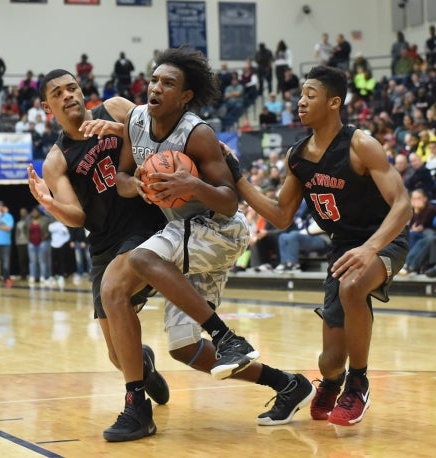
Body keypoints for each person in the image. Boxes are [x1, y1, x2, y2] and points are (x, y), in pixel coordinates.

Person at [80, 47, 315, 442]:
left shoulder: (198, 133)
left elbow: (228, 200)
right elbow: (120, 175)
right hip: (187, 235)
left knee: (138, 260)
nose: (156, 87)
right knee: (185, 348)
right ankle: (288, 384)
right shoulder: (136, 122)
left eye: (167, 83)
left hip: (218, 229)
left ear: (186, 95)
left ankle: (224, 340)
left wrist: (193, 186)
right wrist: (133, 184)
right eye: (154, 80)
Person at [225, 65, 411, 426]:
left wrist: (371, 248)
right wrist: (237, 178)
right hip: (344, 244)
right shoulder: (298, 156)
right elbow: (280, 216)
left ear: (334, 102)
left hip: (385, 235)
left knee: (353, 285)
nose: (301, 101)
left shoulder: (360, 144)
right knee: (329, 359)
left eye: (311, 94)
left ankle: (358, 382)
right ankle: (333, 380)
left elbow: (403, 204)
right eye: (300, 94)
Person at [27, 68, 170, 440]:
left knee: (114, 293)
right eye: (58, 93)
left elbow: (159, 137)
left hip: (145, 224)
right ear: (47, 106)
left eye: (72, 87)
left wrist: (120, 132)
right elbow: (76, 217)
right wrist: (50, 204)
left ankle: (137, 408)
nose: (68, 95)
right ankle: (145, 367)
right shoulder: (57, 160)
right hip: (104, 243)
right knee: (116, 354)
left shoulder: (116, 108)